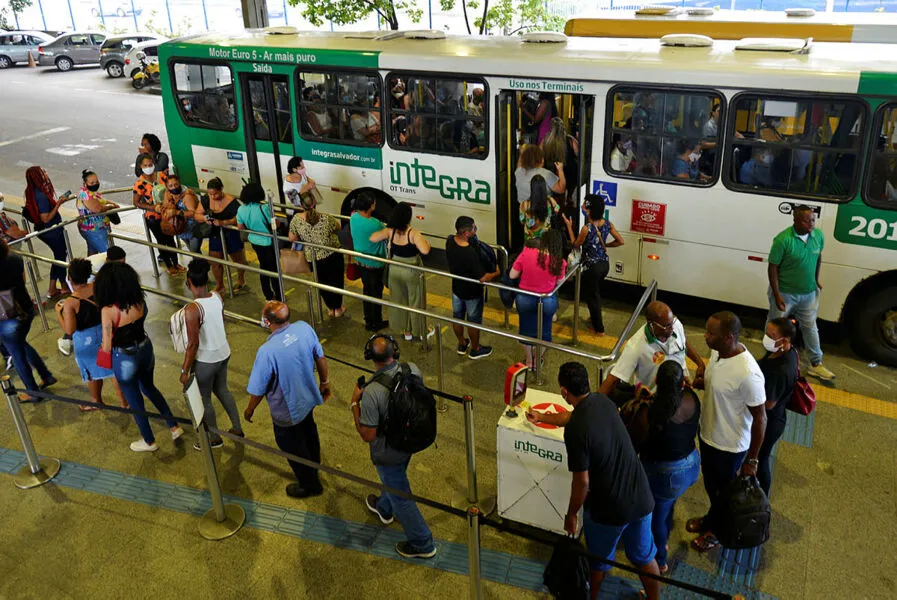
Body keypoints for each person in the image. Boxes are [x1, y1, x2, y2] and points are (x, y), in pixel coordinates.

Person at [526, 362, 660, 600]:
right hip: (640, 496)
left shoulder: (576, 431)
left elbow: (583, 483)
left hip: (608, 509)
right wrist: (543, 416)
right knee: (645, 558)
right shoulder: (603, 402)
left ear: (564, 392)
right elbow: (573, 416)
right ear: (587, 383)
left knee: (598, 563)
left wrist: (571, 514)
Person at [350, 334, 436, 559]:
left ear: (370, 357)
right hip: (410, 440)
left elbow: (368, 435)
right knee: (395, 479)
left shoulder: (372, 392)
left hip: (388, 451)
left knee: (401, 497)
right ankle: (384, 508)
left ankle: (423, 543)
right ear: (395, 352)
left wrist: (354, 404)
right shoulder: (412, 369)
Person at [688, 311, 766, 553]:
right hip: (709, 435)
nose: (705, 336)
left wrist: (752, 460)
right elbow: (720, 386)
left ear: (729, 337)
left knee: (723, 493)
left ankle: (717, 532)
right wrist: (701, 383)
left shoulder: (748, 374)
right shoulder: (718, 353)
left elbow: (761, 418)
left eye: (711, 333)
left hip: (728, 447)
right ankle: (712, 519)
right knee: (712, 487)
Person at [95, 262, 184, 452]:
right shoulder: (139, 301)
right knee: (149, 387)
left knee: (135, 400)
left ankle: (149, 441)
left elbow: (107, 345)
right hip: (145, 348)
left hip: (124, 356)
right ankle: (174, 426)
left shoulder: (108, 311)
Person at [245, 301, 329, 498]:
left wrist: (250, 409)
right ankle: (314, 466)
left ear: (267, 322)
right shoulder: (304, 328)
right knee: (309, 433)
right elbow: (320, 357)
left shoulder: (267, 351)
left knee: (291, 447)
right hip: (308, 399)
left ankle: (310, 485)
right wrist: (325, 382)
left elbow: (258, 388)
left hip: (287, 411)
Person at [629, 361, 701, 574]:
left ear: (656, 381)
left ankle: (660, 560)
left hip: (666, 474)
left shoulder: (649, 412)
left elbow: (636, 442)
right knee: (669, 501)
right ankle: (666, 531)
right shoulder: (691, 399)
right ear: (683, 383)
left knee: (656, 519)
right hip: (691, 464)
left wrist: (640, 400)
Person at [180, 259, 243, 450]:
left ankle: (214, 438)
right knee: (223, 389)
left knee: (204, 398)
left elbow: (193, 344)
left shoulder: (192, 309)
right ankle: (237, 428)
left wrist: (184, 370)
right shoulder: (217, 296)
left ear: (189, 282)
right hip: (223, 352)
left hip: (206, 359)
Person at [767, 205, 834, 380]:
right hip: (785, 293)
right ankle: (770, 359)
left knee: (810, 326)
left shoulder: (818, 236)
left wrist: (816, 280)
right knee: (775, 327)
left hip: (808, 294)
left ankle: (816, 364)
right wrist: (777, 295)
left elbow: (818, 257)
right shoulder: (783, 240)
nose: (811, 224)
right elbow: (773, 268)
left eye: (813, 220)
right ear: (795, 220)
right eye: (806, 220)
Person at [55, 259, 126, 411]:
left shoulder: (71, 302)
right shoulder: (97, 287)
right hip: (106, 332)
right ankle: (124, 403)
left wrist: (58, 312)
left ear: (69, 278)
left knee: (91, 372)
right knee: (113, 369)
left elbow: (69, 330)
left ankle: (96, 400)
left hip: (86, 341)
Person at [599, 301, 706, 400]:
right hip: (655, 398)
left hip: (681, 386)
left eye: (672, 323)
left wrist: (700, 363)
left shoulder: (675, 325)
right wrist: (593, 403)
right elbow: (614, 379)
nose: (672, 329)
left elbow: (684, 342)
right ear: (651, 324)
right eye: (666, 326)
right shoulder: (636, 347)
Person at [0, 238, 56, 402]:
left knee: (16, 353)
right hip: (26, 306)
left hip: (7, 314)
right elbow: (23, 281)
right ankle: (46, 375)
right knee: (21, 343)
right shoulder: (15, 259)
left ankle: (33, 392)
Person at [368, 202, 433, 341]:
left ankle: (406, 331)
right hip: (411, 270)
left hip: (395, 269)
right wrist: (427, 243)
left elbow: (372, 238)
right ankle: (419, 331)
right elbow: (425, 250)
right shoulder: (413, 234)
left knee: (400, 301)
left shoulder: (390, 231)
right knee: (415, 302)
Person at [562, 194, 624, 335]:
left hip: (592, 268)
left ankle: (599, 329)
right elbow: (620, 241)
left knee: (592, 297)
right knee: (595, 292)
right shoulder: (607, 224)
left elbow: (575, 245)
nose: (582, 207)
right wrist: (605, 246)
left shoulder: (587, 228)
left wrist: (569, 227)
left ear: (590, 211)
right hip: (604, 265)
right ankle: (594, 318)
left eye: (585, 206)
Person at [510, 229, 567, 370]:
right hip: (546, 300)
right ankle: (537, 360)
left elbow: (512, 275)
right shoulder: (559, 261)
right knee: (545, 332)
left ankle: (529, 362)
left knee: (525, 330)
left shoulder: (527, 253)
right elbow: (560, 282)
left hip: (525, 298)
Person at [756, 317, 799, 497]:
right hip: (774, 418)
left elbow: (769, 404)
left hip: (770, 422)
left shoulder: (782, 370)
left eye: (771, 335)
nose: (766, 338)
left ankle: (763, 496)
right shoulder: (785, 351)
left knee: (760, 458)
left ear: (785, 340)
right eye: (766, 333)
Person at [445, 216, 497, 359]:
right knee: (473, 322)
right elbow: (482, 277)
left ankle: (462, 343)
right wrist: (495, 273)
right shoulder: (471, 252)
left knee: (458, 318)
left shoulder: (450, 241)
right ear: (466, 233)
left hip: (457, 288)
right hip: (472, 293)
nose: (475, 229)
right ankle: (475, 349)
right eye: (473, 228)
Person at [288, 191, 346, 319]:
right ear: (314, 203)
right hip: (332, 255)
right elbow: (338, 227)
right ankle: (338, 309)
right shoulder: (326, 218)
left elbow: (292, 238)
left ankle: (330, 308)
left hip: (313, 258)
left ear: (301, 205)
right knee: (336, 281)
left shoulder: (296, 220)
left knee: (322, 283)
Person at [24, 166, 72, 298]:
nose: (46, 172)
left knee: (59, 256)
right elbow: (45, 218)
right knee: (60, 257)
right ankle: (62, 286)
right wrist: (59, 204)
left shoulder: (32, 191)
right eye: (43, 172)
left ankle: (53, 288)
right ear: (38, 176)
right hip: (51, 230)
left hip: (43, 230)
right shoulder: (41, 195)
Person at [133, 153, 184, 276]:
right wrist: (153, 207)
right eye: (145, 165)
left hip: (167, 214)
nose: (148, 167)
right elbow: (136, 202)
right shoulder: (140, 184)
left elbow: (172, 188)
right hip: (153, 218)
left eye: (150, 164)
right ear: (140, 166)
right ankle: (169, 265)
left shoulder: (162, 176)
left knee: (171, 238)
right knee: (161, 241)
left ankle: (176, 263)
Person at [196, 178, 247, 293]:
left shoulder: (231, 201)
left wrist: (224, 222)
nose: (213, 197)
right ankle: (220, 285)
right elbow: (197, 214)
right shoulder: (206, 199)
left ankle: (241, 280)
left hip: (231, 234)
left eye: (215, 194)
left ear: (221, 189)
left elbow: (239, 218)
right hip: (215, 234)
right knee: (215, 262)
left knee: (238, 260)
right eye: (210, 194)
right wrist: (204, 218)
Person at [236, 183, 282, 301]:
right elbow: (275, 224)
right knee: (274, 270)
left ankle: (268, 296)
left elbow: (240, 227)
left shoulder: (241, 209)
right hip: (268, 242)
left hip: (254, 241)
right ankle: (279, 295)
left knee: (263, 267)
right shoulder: (264, 208)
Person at [350, 192, 388, 332]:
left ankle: (368, 320)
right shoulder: (376, 224)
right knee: (376, 294)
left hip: (360, 261)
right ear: (371, 206)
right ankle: (376, 322)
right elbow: (387, 234)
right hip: (375, 263)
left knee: (367, 290)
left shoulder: (354, 217)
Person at [76, 169, 118, 256]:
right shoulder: (86, 195)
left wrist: (111, 204)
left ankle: (90, 265)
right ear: (85, 184)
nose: (95, 184)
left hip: (96, 229)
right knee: (108, 254)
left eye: (97, 181)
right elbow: (98, 208)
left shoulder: (91, 193)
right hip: (94, 230)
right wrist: (111, 206)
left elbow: (101, 201)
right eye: (92, 183)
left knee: (93, 253)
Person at [163, 174, 203, 254]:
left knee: (195, 251)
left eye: (176, 184)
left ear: (179, 183)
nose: (174, 187)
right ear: (167, 187)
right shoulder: (168, 194)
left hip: (193, 229)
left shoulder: (187, 195)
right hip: (180, 228)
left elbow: (194, 213)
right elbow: (165, 206)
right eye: (170, 186)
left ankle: (200, 262)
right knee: (191, 251)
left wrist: (177, 212)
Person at [519, 176, 559, 242]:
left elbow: (522, 221)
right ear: (544, 187)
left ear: (532, 188)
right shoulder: (551, 201)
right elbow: (557, 209)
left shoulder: (524, 204)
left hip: (530, 242)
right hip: (545, 242)